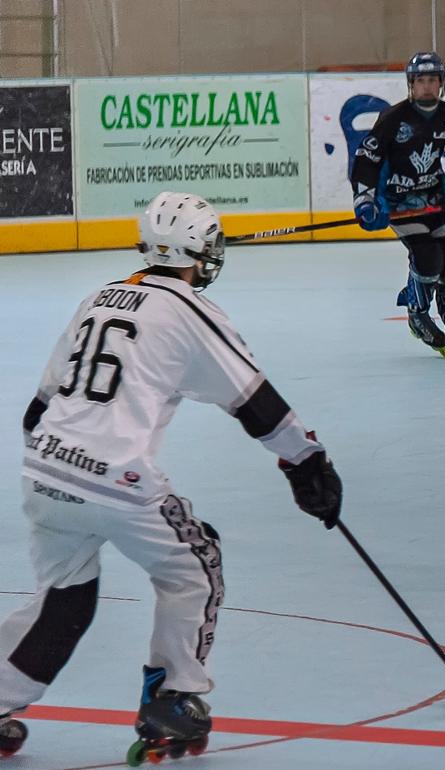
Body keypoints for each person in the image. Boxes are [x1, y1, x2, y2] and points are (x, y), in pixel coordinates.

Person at [0, 192, 342, 762]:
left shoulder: (99, 297)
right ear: (196, 251)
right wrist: (308, 463)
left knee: (63, 599)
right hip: (115, 477)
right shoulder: (191, 310)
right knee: (195, 565)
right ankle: (176, 699)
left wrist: (61, 464)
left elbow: (37, 410)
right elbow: (256, 403)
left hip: (44, 467)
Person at [350, 51, 445, 357]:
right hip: (399, 204)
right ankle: (417, 313)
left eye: (433, 80)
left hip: (434, 201)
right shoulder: (393, 119)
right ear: (411, 84)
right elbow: (367, 160)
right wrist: (366, 200)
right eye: (421, 80)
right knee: (428, 259)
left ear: (441, 83)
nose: (427, 86)